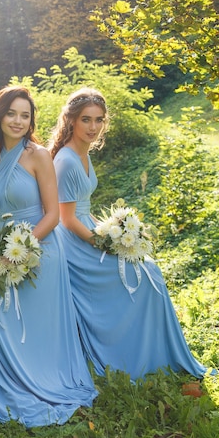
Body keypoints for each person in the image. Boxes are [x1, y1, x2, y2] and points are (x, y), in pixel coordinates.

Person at [0, 86, 98, 428]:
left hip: (40, 246)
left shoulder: (38, 155)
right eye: (12, 113)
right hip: (2, 246)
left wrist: (22, 250)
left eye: (25, 115)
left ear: (31, 121)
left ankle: (22, 374)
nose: (18, 121)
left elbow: (53, 216)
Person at [50, 86, 208, 381]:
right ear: (71, 120)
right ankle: (130, 355)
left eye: (99, 120)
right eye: (86, 120)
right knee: (144, 276)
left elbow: (84, 209)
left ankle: (154, 352)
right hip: (73, 245)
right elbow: (67, 219)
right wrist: (104, 244)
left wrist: (116, 230)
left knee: (149, 272)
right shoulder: (66, 160)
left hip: (88, 231)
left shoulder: (83, 154)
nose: (93, 127)